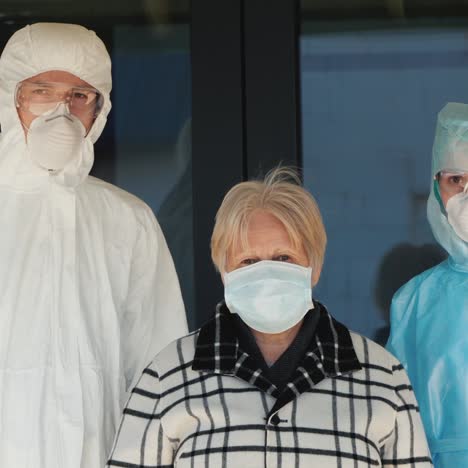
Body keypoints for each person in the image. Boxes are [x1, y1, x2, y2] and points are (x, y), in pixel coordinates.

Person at [107, 167, 432, 467]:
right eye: (248, 261)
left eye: (283, 257)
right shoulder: (168, 375)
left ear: (314, 266)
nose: (266, 273)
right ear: (224, 272)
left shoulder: (381, 375)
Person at [0, 23, 187, 468]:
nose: (60, 111)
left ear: (99, 111)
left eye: (80, 96)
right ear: (12, 99)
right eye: (41, 90)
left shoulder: (128, 220)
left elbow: (160, 363)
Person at [387, 102, 468, 467]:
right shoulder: (413, 303)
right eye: (456, 180)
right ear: (437, 187)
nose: (466, 194)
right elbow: (395, 422)